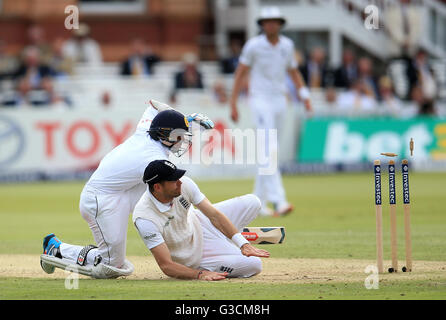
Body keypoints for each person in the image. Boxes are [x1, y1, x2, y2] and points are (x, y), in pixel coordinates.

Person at [40, 100, 215, 279]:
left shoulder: (146, 129)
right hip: (100, 200)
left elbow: (153, 105)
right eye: (179, 136)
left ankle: (205, 234)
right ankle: (57, 249)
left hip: (124, 191)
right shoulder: (153, 157)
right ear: (164, 135)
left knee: (176, 197)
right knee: (114, 266)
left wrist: (182, 120)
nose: (182, 142)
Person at [229, 6, 312, 217]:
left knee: (267, 152)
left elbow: (293, 72)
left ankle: (257, 203)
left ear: (280, 24)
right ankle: (279, 200)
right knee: (270, 148)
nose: (271, 25)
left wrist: (305, 97)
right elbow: (240, 74)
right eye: (267, 21)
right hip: (259, 99)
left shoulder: (287, 45)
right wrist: (233, 103)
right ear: (262, 25)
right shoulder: (254, 46)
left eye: (275, 21)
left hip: (279, 100)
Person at [133, 160, 270, 280]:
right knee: (254, 264)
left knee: (253, 202)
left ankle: (231, 238)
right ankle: (228, 240)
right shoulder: (144, 218)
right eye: (174, 180)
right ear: (157, 187)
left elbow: (214, 216)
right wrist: (199, 274)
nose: (180, 182)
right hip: (193, 257)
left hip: (201, 222)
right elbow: (166, 265)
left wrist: (243, 244)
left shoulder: (184, 184)